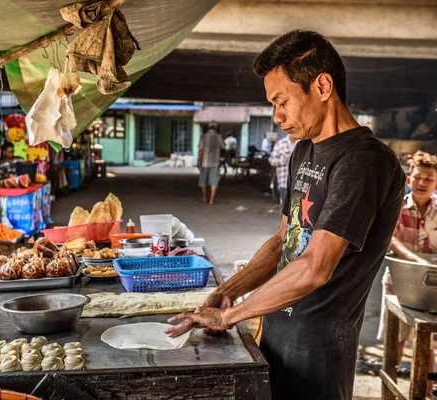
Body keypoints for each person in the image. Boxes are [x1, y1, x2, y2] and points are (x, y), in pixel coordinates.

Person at [166, 30, 406, 400]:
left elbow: (315, 267)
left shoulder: (365, 161)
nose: (277, 116)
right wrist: (226, 294)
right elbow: (283, 240)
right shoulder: (303, 151)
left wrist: (229, 316)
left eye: (282, 101)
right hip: (276, 331)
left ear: (322, 86)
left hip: (317, 356)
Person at [377, 150, 437, 392]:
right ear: (409, 180)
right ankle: (390, 390)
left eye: (429, 178)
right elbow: (390, 239)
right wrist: (417, 261)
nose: (422, 183)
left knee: (428, 344)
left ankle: (425, 391)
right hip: (398, 285)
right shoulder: (398, 204)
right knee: (396, 340)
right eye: (418, 177)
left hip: (432, 288)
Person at [198, 121, 223, 205]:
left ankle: (205, 198)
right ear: (216, 128)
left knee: (203, 180)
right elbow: (223, 147)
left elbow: (201, 150)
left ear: (209, 127)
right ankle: (211, 200)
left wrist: (198, 161)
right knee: (214, 181)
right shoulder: (219, 137)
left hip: (205, 162)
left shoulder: (204, 137)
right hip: (215, 162)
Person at [268, 134, 297, 205]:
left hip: (299, 184)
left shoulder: (303, 143)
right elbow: (271, 160)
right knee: (285, 208)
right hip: (284, 183)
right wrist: (285, 160)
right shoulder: (280, 143)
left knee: (297, 210)